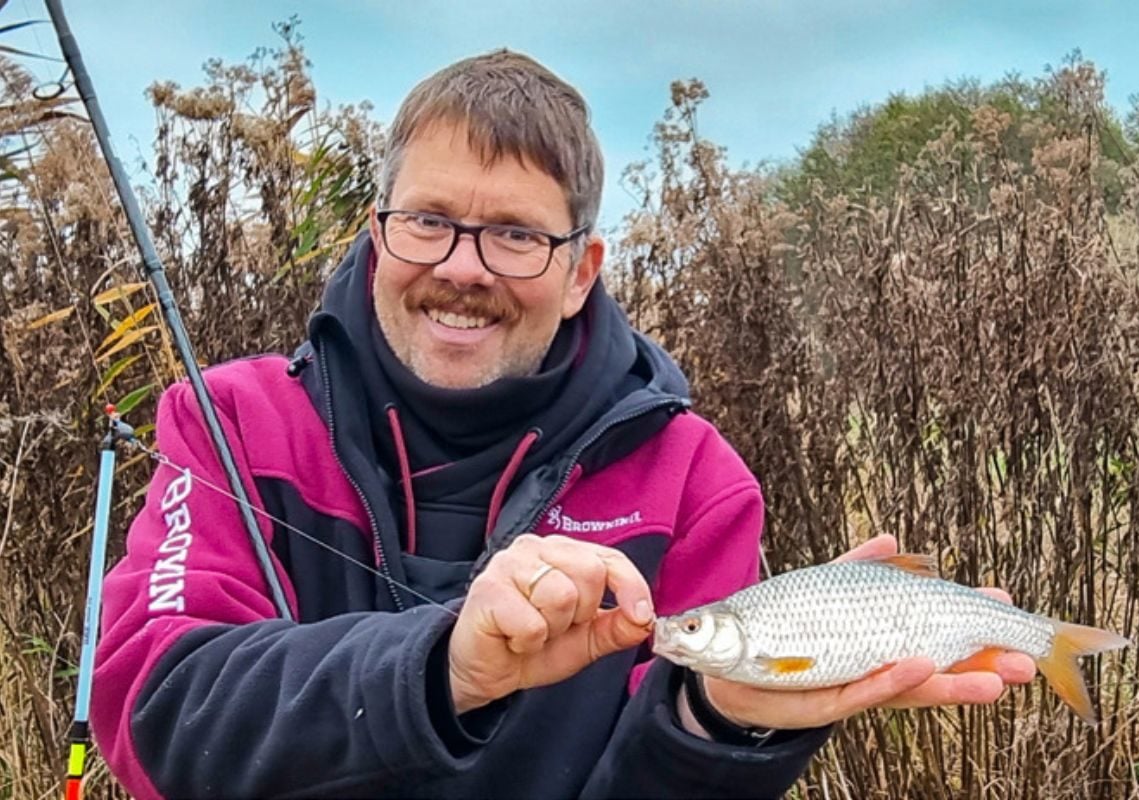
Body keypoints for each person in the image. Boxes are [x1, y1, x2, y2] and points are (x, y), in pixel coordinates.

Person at [92, 50, 1034, 799]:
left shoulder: (696, 486)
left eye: (515, 234)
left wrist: (722, 722)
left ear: (584, 268)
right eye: (427, 220)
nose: (463, 266)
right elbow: (152, 713)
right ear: (377, 234)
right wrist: (445, 669)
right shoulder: (229, 422)